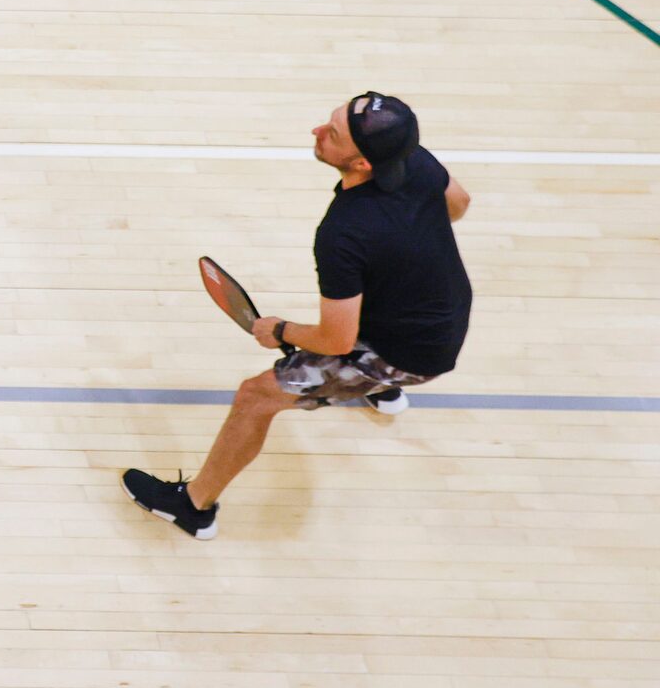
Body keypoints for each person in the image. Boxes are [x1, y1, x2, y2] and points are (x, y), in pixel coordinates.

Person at [124, 93, 474, 540]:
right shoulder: (414, 160)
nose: (317, 132)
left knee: (256, 397)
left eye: (332, 133)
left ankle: (193, 508)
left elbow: (337, 341)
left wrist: (279, 330)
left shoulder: (345, 232)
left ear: (363, 164)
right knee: (367, 301)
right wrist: (407, 237)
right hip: (445, 308)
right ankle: (380, 389)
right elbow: (459, 204)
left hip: (407, 351)